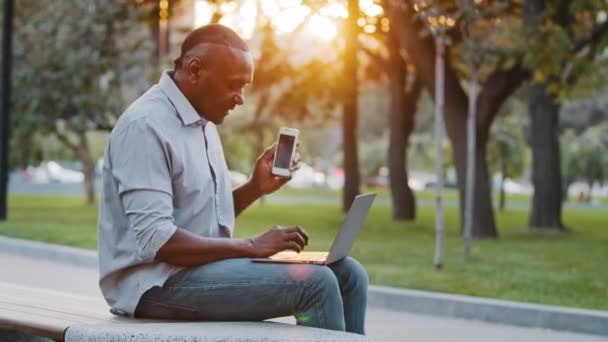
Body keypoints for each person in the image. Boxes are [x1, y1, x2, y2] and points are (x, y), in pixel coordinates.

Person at [97, 24, 368, 335]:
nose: (240, 98)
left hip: (195, 271)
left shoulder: (203, 121)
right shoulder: (145, 127)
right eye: (233, 85)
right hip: (152, 286)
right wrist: (251, 246)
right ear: (195, 70)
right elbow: (157, 240)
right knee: (314, 284)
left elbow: (203, 223)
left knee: (349, 273)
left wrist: (255, 188)